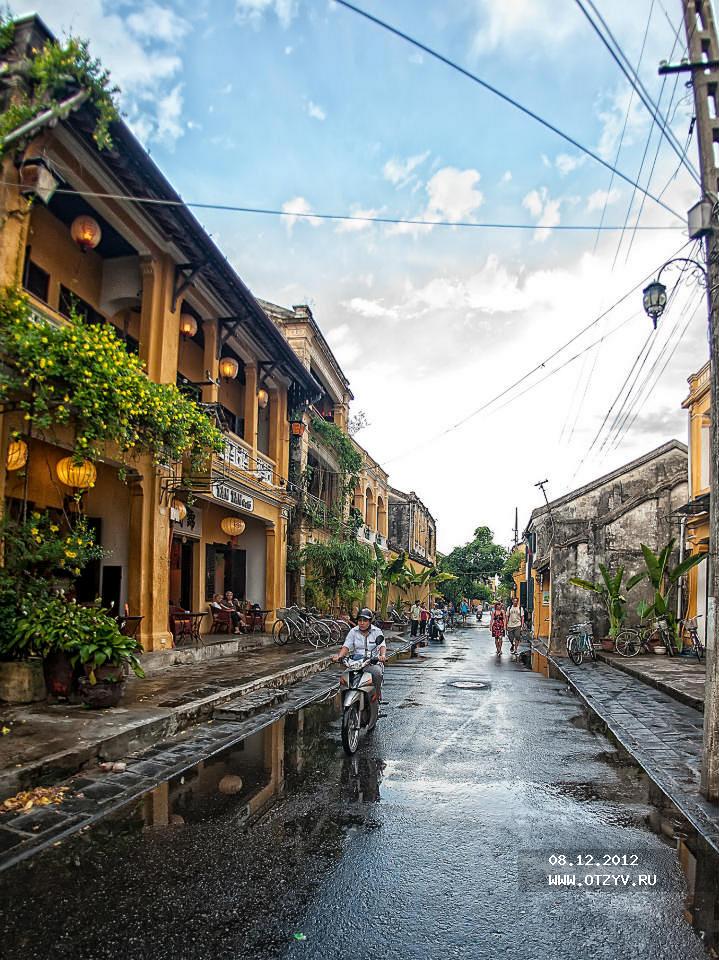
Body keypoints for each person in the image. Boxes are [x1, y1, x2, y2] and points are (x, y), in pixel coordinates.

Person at [332, 608, 386, 701]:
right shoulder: (353, 631)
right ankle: (345, 701)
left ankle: (377, 694)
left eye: (365, 620)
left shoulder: (376, 631)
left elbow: (382, 645)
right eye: (360, 620)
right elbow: (346, 646)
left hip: (371, 662)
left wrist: (382, 655)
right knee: (344, 678)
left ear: (370, 621)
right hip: (356, 663)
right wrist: (339, 656)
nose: (362, 623)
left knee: (377, 673)